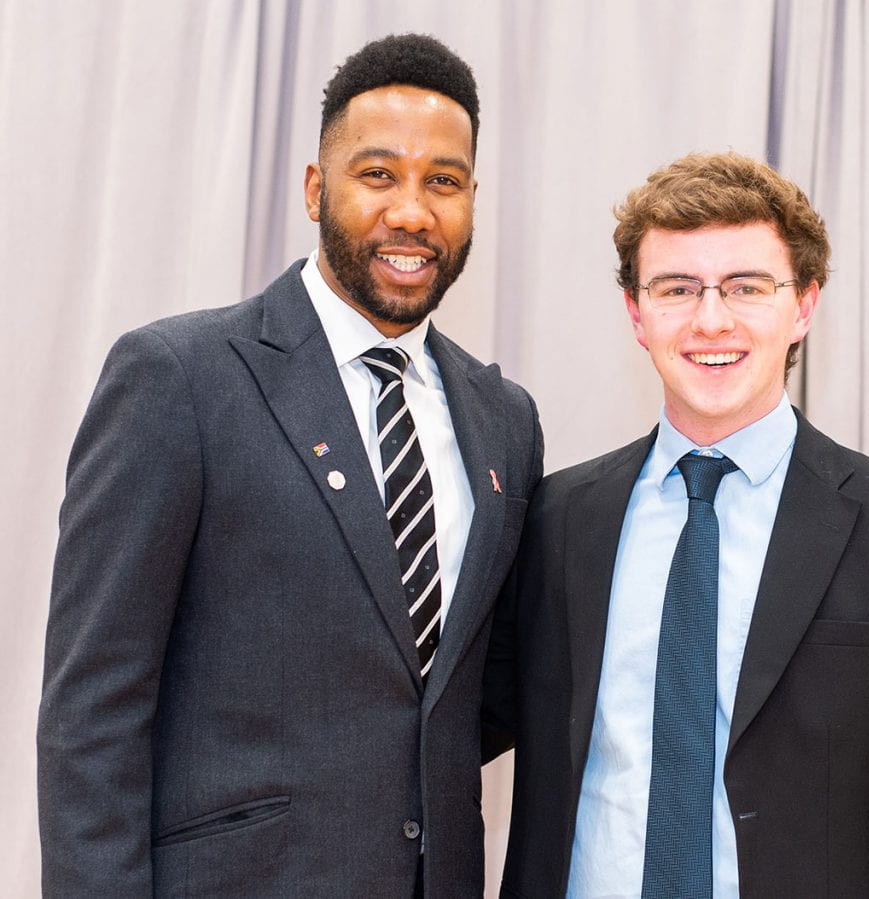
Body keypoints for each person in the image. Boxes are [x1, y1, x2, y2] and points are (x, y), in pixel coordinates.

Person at [38, 33, 543, 897]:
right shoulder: (180, 378)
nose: (412, 212)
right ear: (317, 188)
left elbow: (474, 692)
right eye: (378, 174)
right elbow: (92, 713)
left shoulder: (505, 420)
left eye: (444, 182)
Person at [483, 152, 869, 896]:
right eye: (677, 288)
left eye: (747, 287)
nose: (711, 318)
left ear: (805, 304)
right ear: (636, 312)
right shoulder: (558, 519)